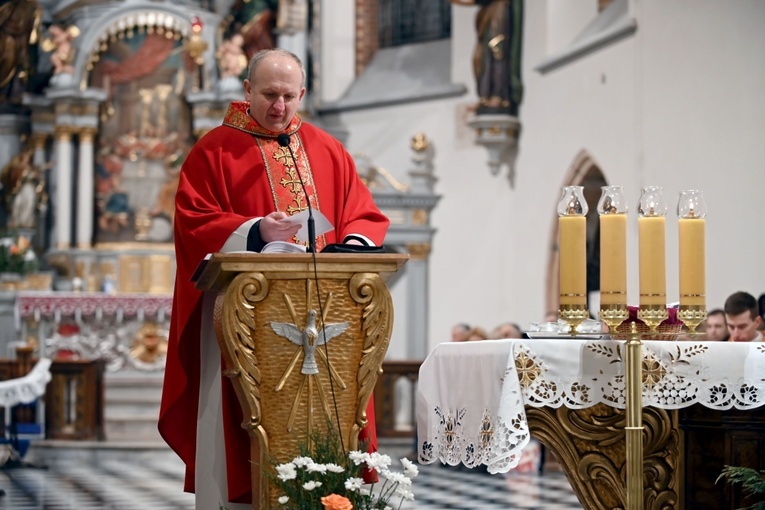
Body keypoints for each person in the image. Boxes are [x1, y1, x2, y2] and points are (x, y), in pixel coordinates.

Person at [158, 48, 389, 508]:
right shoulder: (214, 150)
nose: (279, 106)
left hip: (330, 319)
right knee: (239, 430)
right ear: (247, 91)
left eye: (288, 96)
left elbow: (363, 213)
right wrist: (258, 230)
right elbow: (192, 222)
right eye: (269, 95)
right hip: (244, 322)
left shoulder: (328, 149)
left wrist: (357, 243)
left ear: (302, 94)